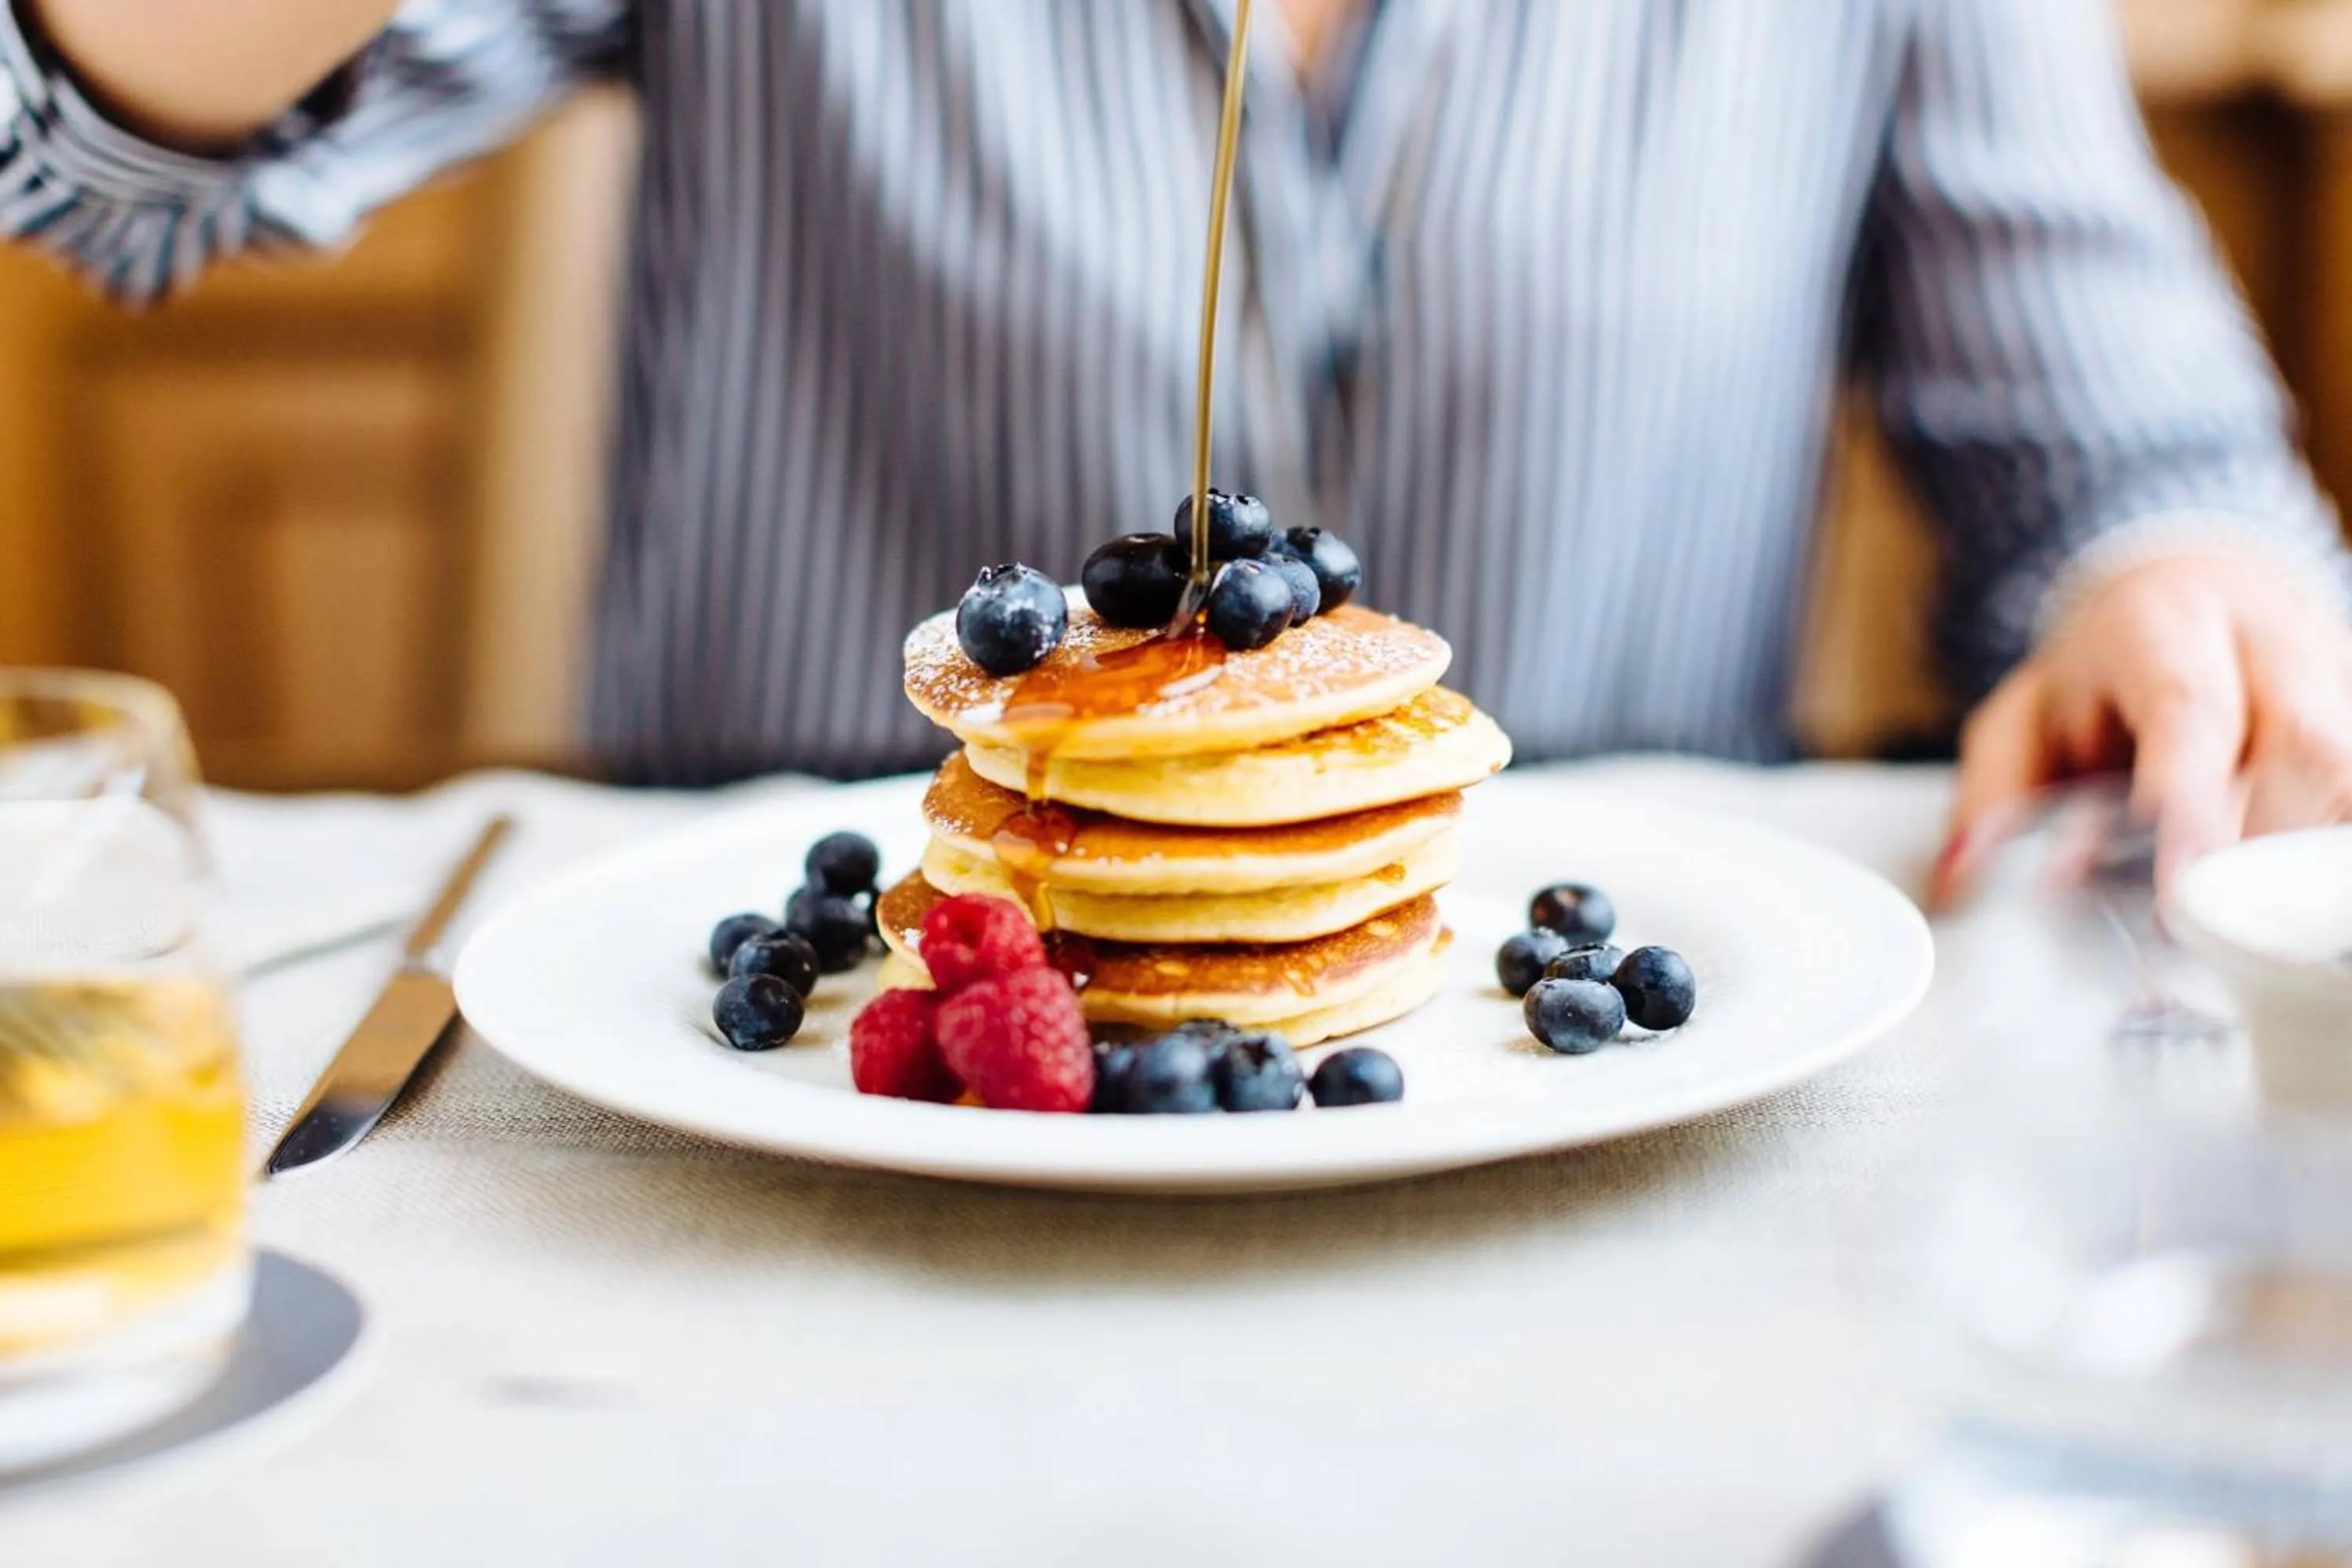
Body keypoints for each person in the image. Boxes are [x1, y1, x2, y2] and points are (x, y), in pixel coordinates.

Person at [5, 0, 2349, 894]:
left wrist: (2175, 581)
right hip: (831, 1090)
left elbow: (2129, 458)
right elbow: (116, 171)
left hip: (1570, 1097)